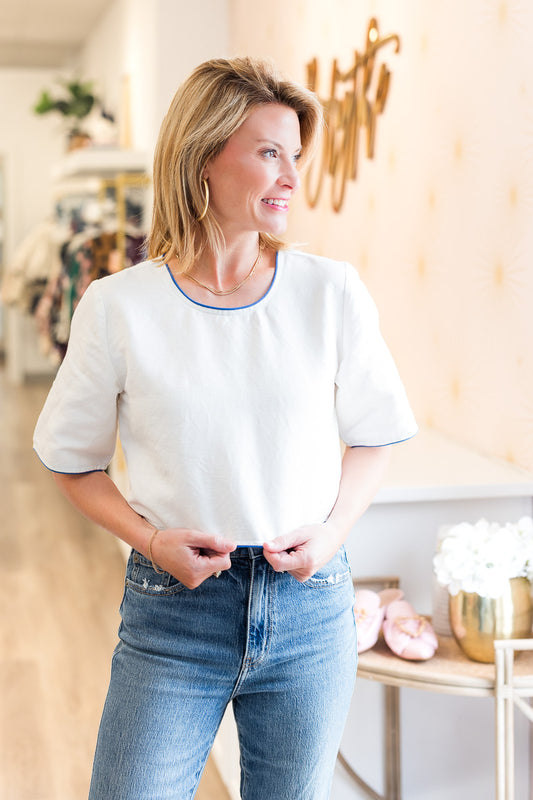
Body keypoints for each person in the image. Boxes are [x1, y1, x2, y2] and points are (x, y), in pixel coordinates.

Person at [33, 56, 418, 800]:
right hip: (173, 615)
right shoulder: (118, 307)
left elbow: (374, 436)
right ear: (204, 156)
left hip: (308, 611)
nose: (290, 177)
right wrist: (148, 540)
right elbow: (70, 462)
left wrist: (332, 533)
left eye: (295, 157)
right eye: (269, 152)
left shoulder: (329, 292)